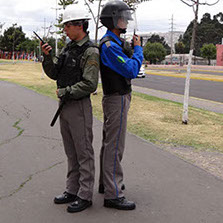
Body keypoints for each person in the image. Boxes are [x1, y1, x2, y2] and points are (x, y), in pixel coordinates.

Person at [41, 5, 99, 213]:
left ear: (79, 25)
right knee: (71, 152)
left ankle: (85, 194)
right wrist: (47, 57)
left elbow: (90, 84)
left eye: (67, 26)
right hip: (65, 105)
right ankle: (72, 189)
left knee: (83, 152)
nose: (64, 30)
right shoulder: (68, 48)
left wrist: (66, 91)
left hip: (79, 106)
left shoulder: (90, 51)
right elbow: (55, 73)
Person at [98, 0, 143, 210]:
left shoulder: (113, 42)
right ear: (114, 19)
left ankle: (107, 183)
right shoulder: (109, 46)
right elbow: (131, 70)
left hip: (117, 97)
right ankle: (113, 193)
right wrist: (138, 50)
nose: (126, 20)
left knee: (110, 144)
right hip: (117, 99)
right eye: (123, 17)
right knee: (115, 146)